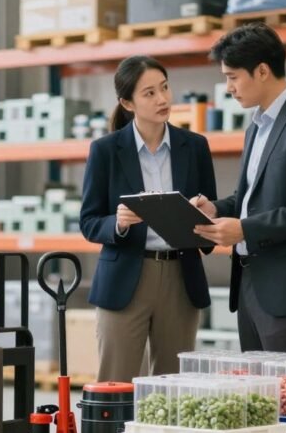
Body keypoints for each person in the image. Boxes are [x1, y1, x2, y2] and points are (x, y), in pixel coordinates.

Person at [192, 23, 286, 356]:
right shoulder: (257, 125)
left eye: (232, 77)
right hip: (251, 285)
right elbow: (250, 199)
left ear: (261, 71)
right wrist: (217, 209)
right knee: (258, 400)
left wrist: (244, 229)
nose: (228, 88)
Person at [79, 55, 218, 383]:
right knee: (116, 382)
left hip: (181, 277)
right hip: (126, 276)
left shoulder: (195, 147)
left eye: (165, 88)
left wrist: (206, 211)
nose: (163, 99)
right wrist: (118, 223)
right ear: (127, 102)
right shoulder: (105, 151)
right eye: (150, 93)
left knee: (175, 387)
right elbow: (88, 220)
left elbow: (212, 213)